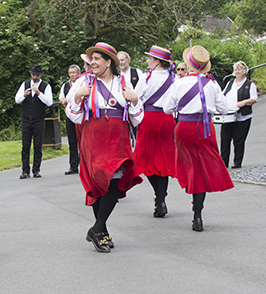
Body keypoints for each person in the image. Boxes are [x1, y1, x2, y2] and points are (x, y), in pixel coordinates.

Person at [66, 43, 144, 252]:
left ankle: (98, 228)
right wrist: (77, 96)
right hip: (94, 137)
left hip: (118, 137)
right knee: (99, 181)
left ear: (108, 62)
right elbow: (74, 115)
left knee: (116, 181)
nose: (92, 62)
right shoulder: (84, 81)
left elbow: (137, 119)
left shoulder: (123, 83)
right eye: (91, 59)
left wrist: (135, 100)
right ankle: (102, 232)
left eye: (97, 59)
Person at [163, 45, 234, 231]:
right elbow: (224, 109)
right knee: (203, 168)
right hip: (205, 128)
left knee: (189, 166)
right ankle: (198, 214)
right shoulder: (212, 83)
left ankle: (192, 194)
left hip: (184, 128)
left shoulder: (178, 82)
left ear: (188, 64)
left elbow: (167, 109)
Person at [133, 46, 176, 218]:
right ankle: (161, 198)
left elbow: (136, 99)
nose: (147, 61)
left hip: (149, 118)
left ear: (157, 61)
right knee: (163, 159)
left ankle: (159, 197)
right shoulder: (174, 78)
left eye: (150, 58)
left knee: (147, 158)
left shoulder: (146, 78)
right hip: (167, 119)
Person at [15, 64, 53, 179]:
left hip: (39, 119)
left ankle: (36, 170)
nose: (35, 77)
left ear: (40, 75)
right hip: (26, 119)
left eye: (37, 75)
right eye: (33, 74)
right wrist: (24, 95)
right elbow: (17, 100)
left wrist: (38, 93)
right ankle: (25, 171)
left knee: (38, 145)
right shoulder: (25, 84)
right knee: (25, 146)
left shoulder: (46, 86)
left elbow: (49, 102)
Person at [220, 61, 257, 169]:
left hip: (242, 117)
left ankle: (237, 162)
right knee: (225, 139)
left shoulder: (249, 84)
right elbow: (223, 94)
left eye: (240, 69)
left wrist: (244, 102)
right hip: (228, 116)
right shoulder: (230, 82)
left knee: (238, 140)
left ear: (245, 71)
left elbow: (254, 99)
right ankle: (224, 162)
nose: (237, 71)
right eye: (236, 69)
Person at [59, 64, 81, 175]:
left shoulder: (82, 83)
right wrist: (63, 101)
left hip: (81, 115)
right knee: (72, 142)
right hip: (69, 115)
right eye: (70, 73)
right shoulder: (65, 85)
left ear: (78, 73)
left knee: (82, 141)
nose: (72, 75)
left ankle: (85, 164)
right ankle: (73, 166)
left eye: (74, 72)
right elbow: (61, 98)